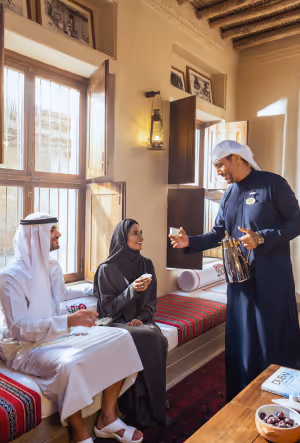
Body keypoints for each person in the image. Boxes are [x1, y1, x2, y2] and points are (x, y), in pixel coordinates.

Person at [170, 140, 300, 402]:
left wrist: (261, 237)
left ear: (236, 158)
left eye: (220, 164)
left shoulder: (273, 184)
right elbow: (218, 232)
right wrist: (190, 242)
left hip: (271, 279)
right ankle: (243, 396)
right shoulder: (229, 194)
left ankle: (281, 396)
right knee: (243, 339)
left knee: (271, 335)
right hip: (239, 280)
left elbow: (295, 223)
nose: (218, 171)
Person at [0, 213, 144, 443]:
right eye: (52, 230)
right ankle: (79, 430)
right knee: (70, 363)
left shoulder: (50, 265)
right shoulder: (9, 276)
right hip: (24, 347)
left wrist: (97, 286)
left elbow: (62, 295)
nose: (59, 234)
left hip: (56, 334)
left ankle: (107, 418)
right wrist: (68, 321)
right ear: (35, 236)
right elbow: (19, 328)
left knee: (121, 338)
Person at [94, 219, 168, 428]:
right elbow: (108, 309)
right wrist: (132, 290)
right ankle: (139, 408)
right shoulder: (106, 269)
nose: (140, 236)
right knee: (151, 338)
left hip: (140, 320)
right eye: (135, 233)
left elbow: (152, 300)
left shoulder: (147, 264)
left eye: (141, 232)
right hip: (114, 323)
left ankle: (153, 405)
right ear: (122, 237)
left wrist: (143, 317)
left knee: (157, 338)